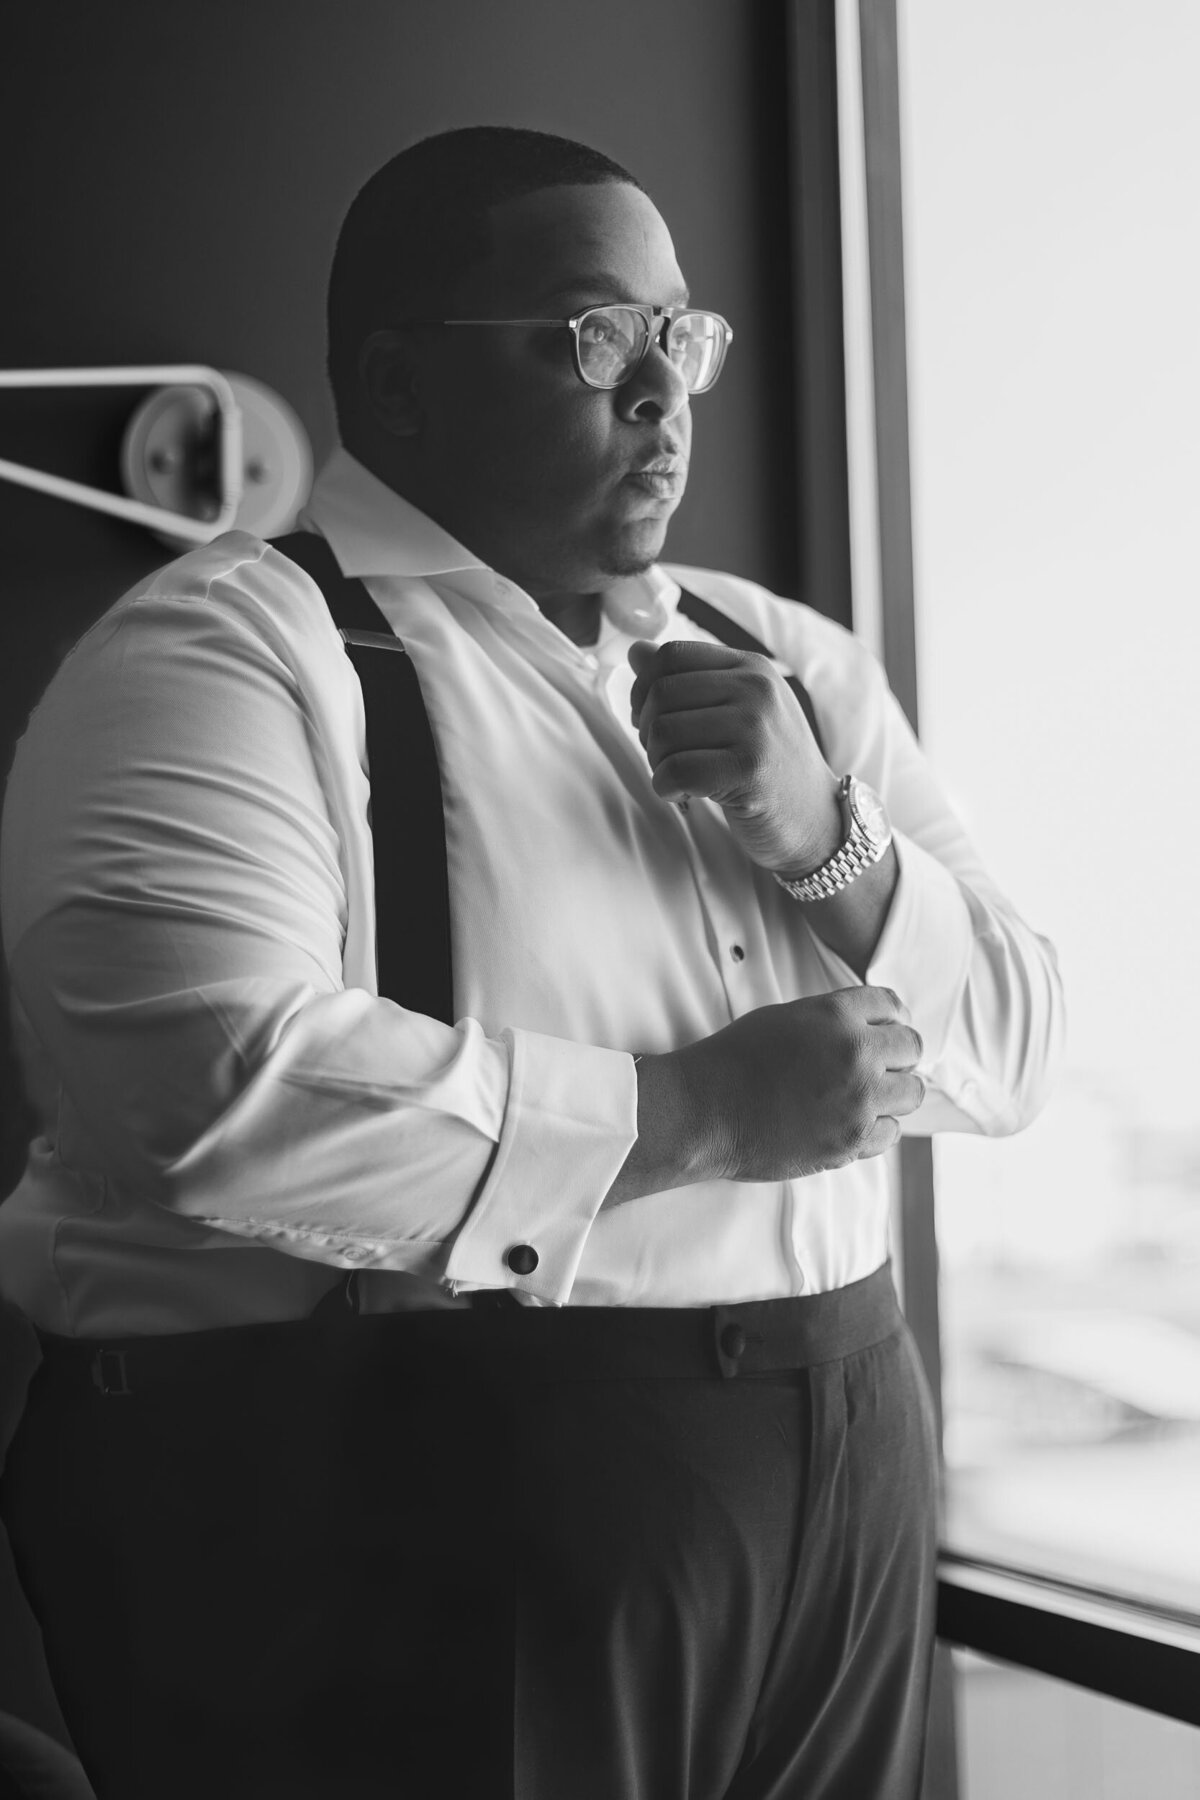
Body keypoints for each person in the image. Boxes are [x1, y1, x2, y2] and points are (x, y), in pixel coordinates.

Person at [0, 127, 1063, 1799]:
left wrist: (827, 839)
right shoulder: (224, 652)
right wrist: (688, 1117)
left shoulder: (791, 663)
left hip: (849, 1467)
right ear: (399, 387)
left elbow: (1013, 1045)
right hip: (405, 1505)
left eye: (680, 334)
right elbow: (207, 1099)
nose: (663, 391)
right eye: (593, 335)